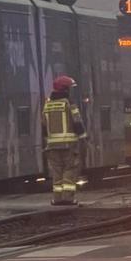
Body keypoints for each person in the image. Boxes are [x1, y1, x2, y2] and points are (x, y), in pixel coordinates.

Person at [42, 75, 85, 206]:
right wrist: (83, 137)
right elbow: (77, 122)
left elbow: (43, 127)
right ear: (66, 89)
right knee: (69, 171)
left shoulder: (47, 105)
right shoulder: (69, 103)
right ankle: (68, 198)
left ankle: (57, 199)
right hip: (68, 145)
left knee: (57, 173)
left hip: (52, 147)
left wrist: (48, 141)